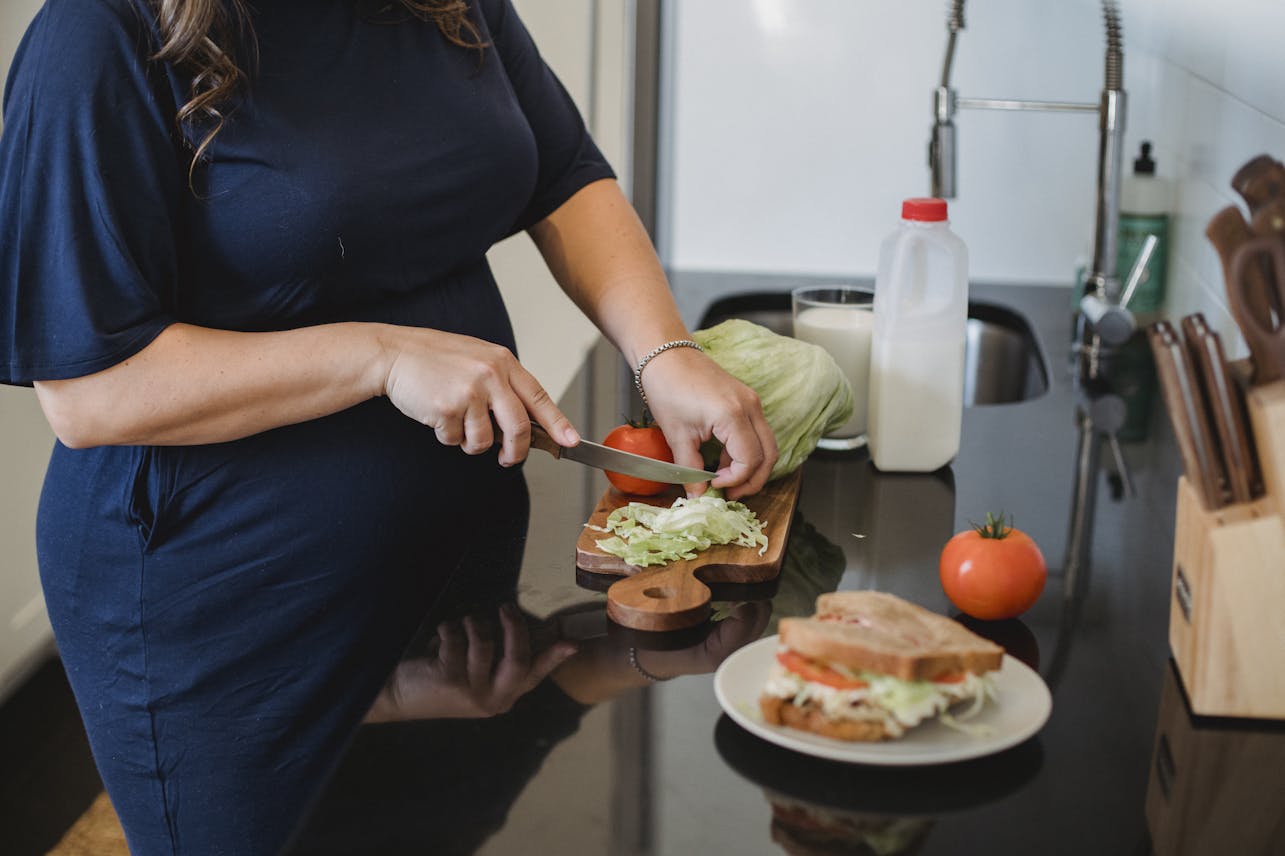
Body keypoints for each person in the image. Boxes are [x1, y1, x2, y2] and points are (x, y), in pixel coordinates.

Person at [0, 0, 779, 853]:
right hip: (231, 610)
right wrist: (380, 357)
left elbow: (563, 170)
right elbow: (89, 391)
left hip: (456, 565)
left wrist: (661, 350)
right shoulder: (97, 34)